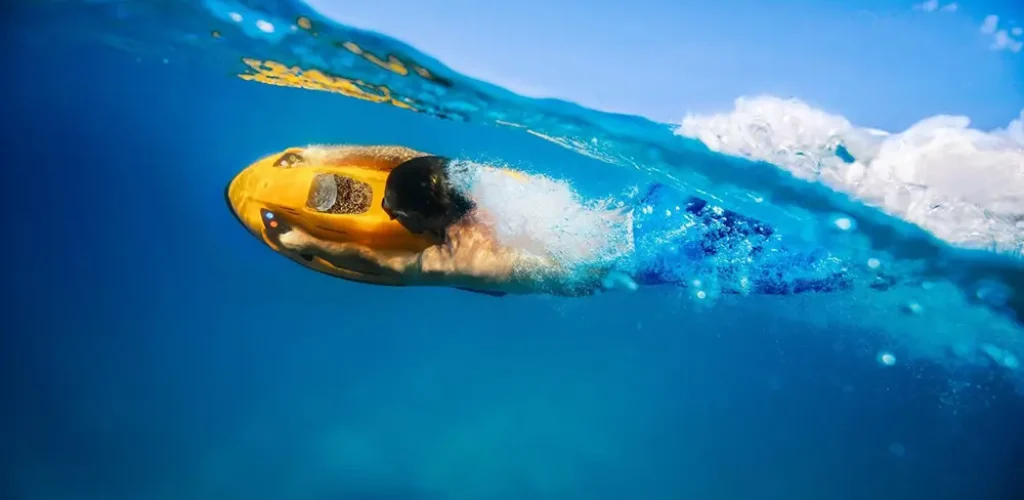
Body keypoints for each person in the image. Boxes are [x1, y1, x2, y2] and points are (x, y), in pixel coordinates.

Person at [225, 144, 850, 297]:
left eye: (396, 209)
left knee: (826, 270)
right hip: (653, 210)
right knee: (788, 229)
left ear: (425, 217)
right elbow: (411, 159)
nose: (386, 212)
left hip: (657, 258)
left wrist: (303, 240)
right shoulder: (480, 186)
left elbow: (381, 262)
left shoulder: (459, 258)